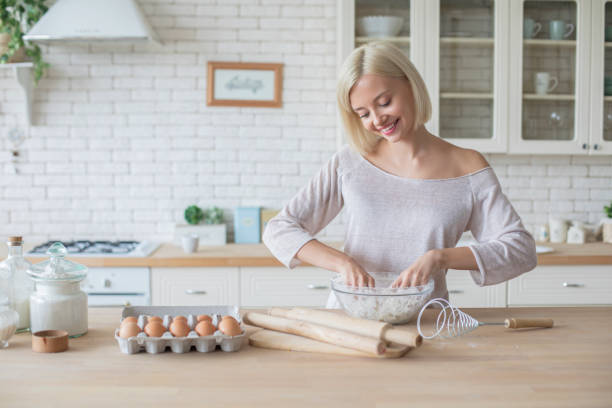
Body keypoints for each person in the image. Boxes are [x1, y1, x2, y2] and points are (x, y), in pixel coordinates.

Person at [262, 41, 537, 308]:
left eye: (384, 102)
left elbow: (520, 250)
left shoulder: (467, 168)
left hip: (424, 323)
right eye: (363, 113)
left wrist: (439, 258)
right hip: (351, 319)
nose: (377, 120)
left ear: (411, 85)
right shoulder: (350, 163)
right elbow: (279, 229)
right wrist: (342, 263)